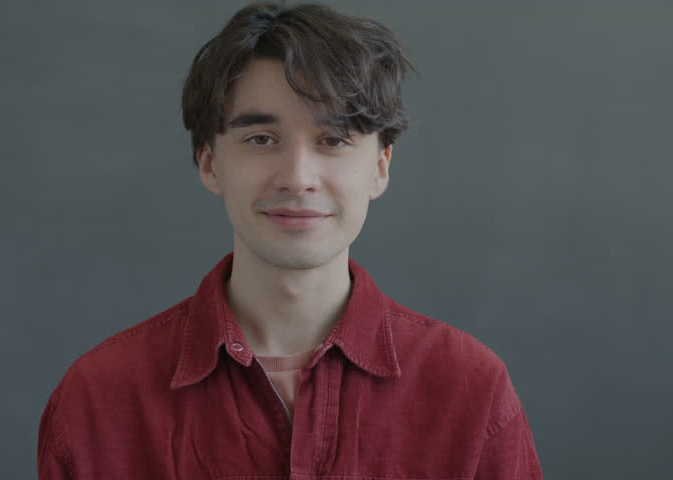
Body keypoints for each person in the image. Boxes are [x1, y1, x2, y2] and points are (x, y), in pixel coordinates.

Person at [37, 2, 543, 479]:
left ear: (380, 168)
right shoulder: (99, 399)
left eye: (334, 139)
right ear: (210, 163)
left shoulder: (470, 390)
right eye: (261, 139)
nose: (298, 177)